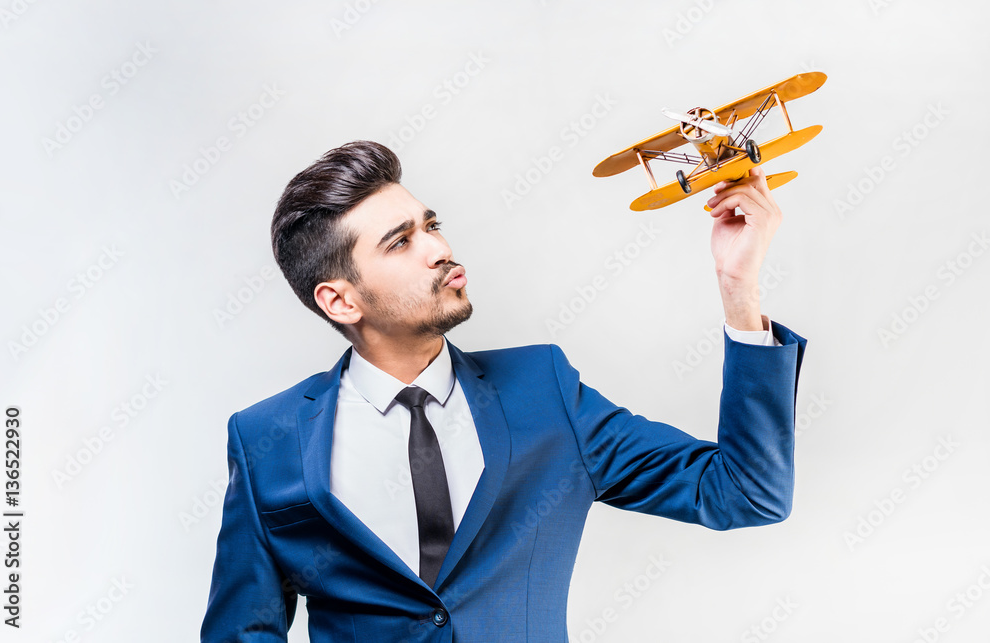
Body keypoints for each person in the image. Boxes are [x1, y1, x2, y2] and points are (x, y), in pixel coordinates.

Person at [200, 140, 806, 642]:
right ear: (339, 299)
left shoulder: (543, 393)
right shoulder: (265, 439)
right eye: (401, 241)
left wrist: (738, 289)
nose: (440, 249)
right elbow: (241, 632)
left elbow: (746, 493)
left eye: (430, 225)